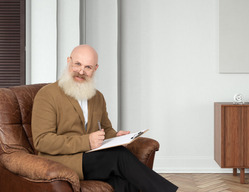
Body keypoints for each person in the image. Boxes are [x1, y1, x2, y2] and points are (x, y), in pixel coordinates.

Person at [31, 44, 178, 192]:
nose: (81, 71)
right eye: (77, 64)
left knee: (125, 183)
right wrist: (87, 141)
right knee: (119, 157)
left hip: (90, 158)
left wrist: (116, 137)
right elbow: (42, 141)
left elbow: (105, 129)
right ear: (69, 61)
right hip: (61, 160)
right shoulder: (47, 95)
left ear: (95, 69)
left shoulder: (97, 97)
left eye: (88, 67)